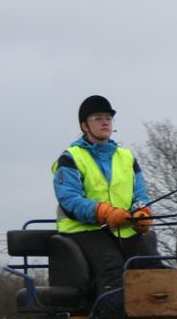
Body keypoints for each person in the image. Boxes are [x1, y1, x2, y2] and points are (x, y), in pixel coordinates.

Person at [52, 95, 163, 296]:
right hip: (83, 230)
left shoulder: (127, 157)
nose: (105, 122)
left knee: (155, 267)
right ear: (85, 126)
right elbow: (69, 200)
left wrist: (142, 211)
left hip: (124, 227)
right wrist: (104, 212)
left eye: (108, 118)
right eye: (97, 118)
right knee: (113, 268)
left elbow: (140, 194)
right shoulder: (70, 158)